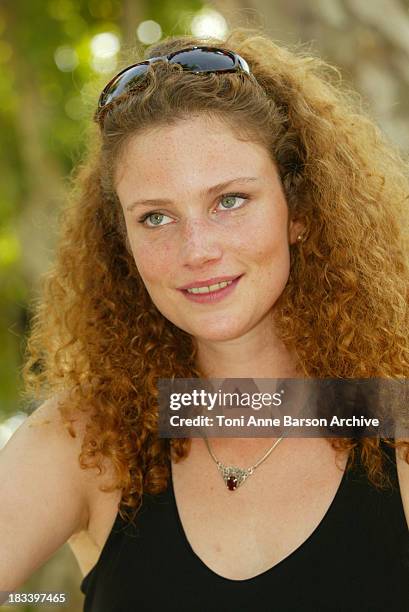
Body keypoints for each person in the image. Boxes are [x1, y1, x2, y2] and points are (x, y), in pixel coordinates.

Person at [1, 27, 408, 612]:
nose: (197, 250)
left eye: (230, 201)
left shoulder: (393, 422)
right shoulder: (90, 439)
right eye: (156, 218)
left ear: (299, 209)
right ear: (123, 244)